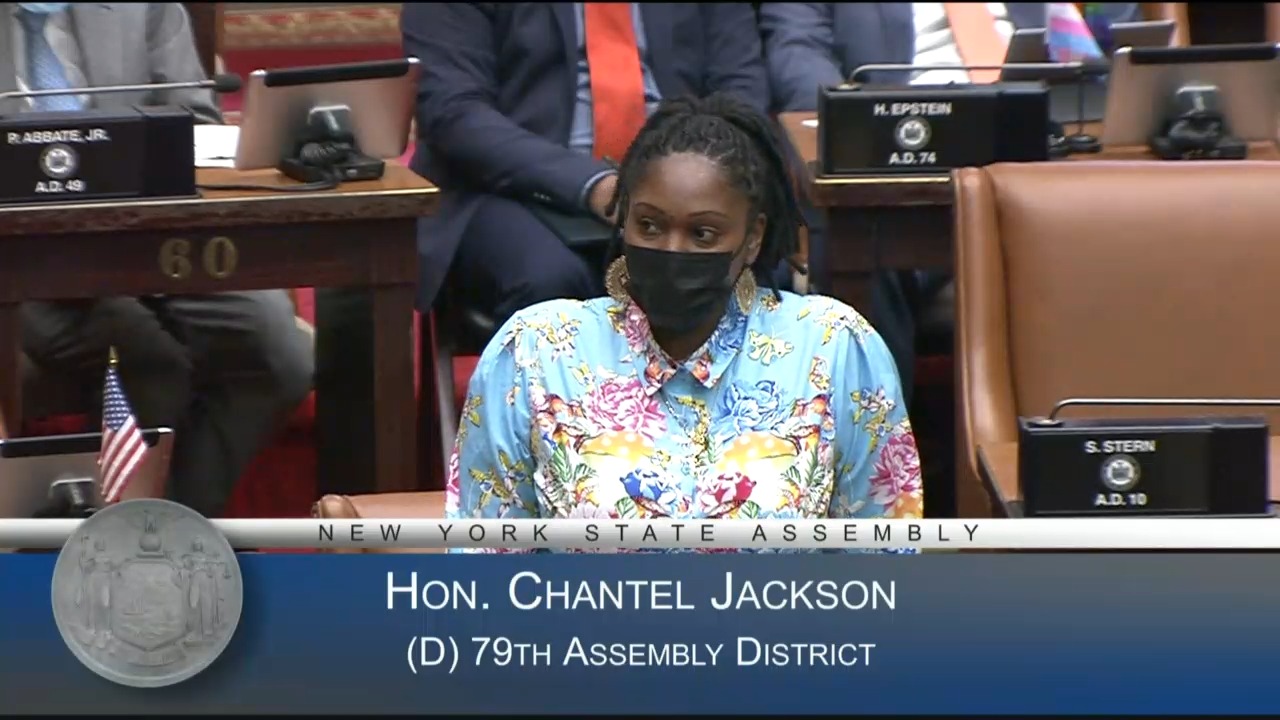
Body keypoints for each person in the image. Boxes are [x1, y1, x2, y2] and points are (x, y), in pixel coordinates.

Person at [446, 94, 922, 551]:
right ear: (622, 217)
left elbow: (882, 558)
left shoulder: (833, 346)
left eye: (703, 233)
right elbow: (488, 562)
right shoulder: (536, 351)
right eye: (649, 225)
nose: (672, 250)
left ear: (752, 239)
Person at [4, 2, 314, 517]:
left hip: (156, 240)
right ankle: (123, 537)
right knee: (150, 365)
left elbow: (196, 121)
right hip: (23, 260)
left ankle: (179, 520)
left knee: (280, 354)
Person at [759, 2, 1140, 395]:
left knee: (1136, 222)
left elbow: (1115, 44)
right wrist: (854, 119)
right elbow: (797, 49)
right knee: (865, 240)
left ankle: (1104, 422)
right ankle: (882, 429)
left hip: (1042, 145)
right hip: (903, 155)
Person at [400, 3, 770, 330]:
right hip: (511, 185)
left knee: (760, 262)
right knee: (549, 278)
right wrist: (595, 184)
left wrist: (702, 175)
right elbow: (455, 113)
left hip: (681, 179)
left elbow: (740, 91)